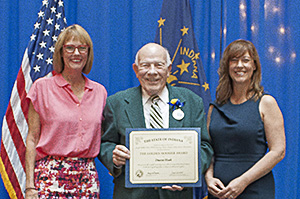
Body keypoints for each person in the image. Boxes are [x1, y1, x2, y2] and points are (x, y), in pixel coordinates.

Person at [98, 43, 213, 199]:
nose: (152, 72)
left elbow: (205, 146)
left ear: (169, 69)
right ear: (136, 70)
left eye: (159, 65)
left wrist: (188, 173)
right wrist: (113, 156)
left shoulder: (192, 101)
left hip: (177, 195)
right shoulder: (116, 103)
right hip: (132, 194)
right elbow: (106, 143)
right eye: (145, 65)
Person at [25, 24, 107, 198]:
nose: (76, 53)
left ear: (88, 53)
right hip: (50, 177)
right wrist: (30, 186)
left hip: (87, 178)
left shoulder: (100, 92)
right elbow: (32, 138)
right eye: (70, 48)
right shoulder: (41, 88)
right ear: (61, 53)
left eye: (82, 48)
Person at [205, 39, 286, 199]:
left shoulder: (266, 102)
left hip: (255, 190)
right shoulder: (214, 107)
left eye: (245, 60)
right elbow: (207, 149)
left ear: (254, 66)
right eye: (234, 60)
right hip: (219, 192)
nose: (239, 65)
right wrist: (208, 178)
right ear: (227, 67)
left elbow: (278, 151)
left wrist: (243, 181)